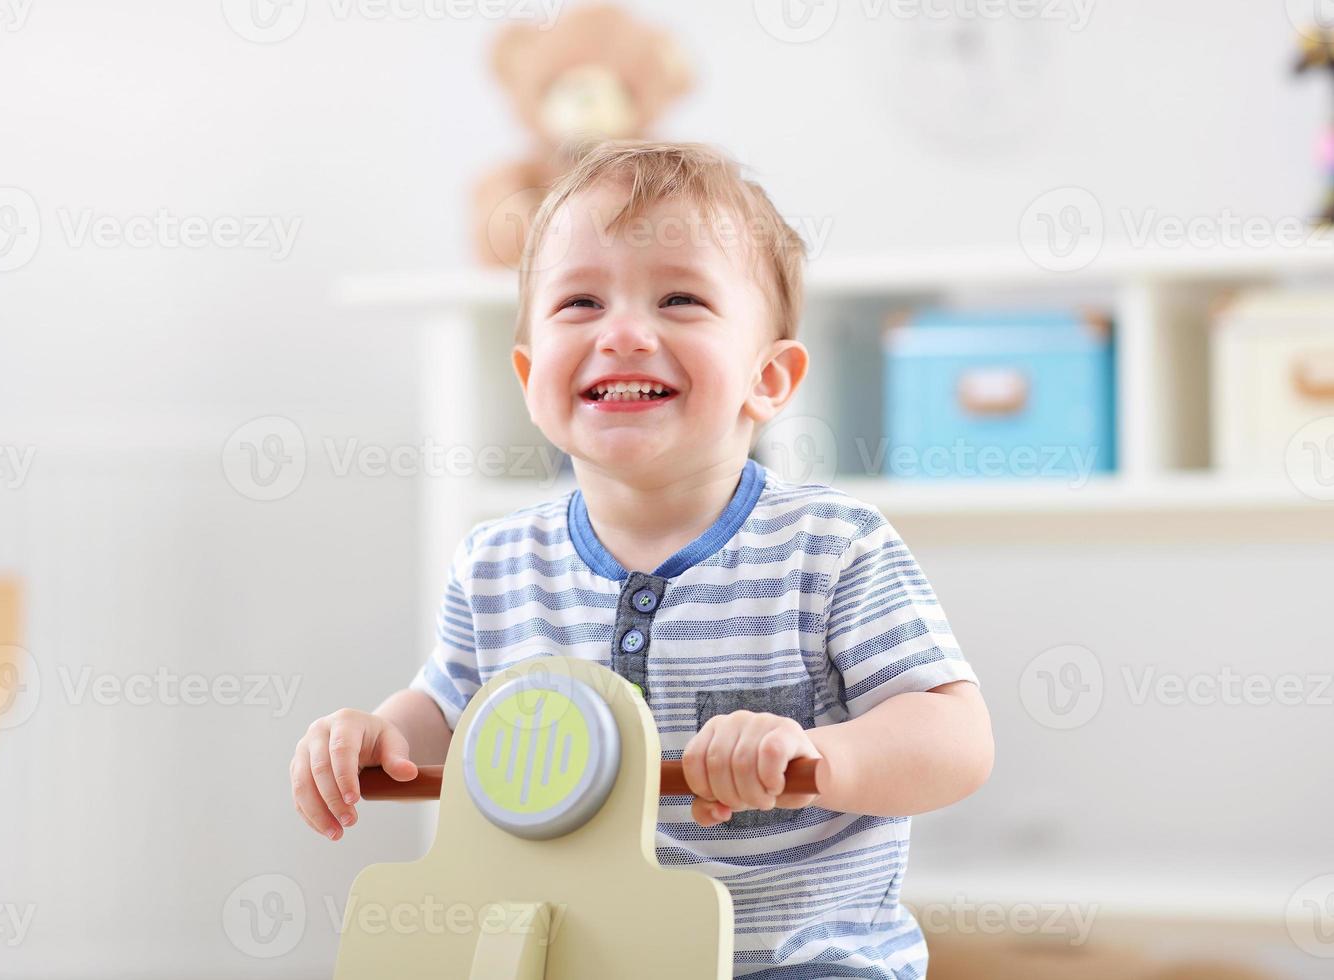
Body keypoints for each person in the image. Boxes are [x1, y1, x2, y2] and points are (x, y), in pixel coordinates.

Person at [291, 139, 994, 977]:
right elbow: (443, 715)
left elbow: (956, 739)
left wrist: (818, 760)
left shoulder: (833, 549)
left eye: (680, 299)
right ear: (529, 376)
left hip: (792, 960)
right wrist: (375, 735)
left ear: (768, 379)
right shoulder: (494, 564)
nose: (623, 332)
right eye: (581, 303)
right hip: (580, 953)